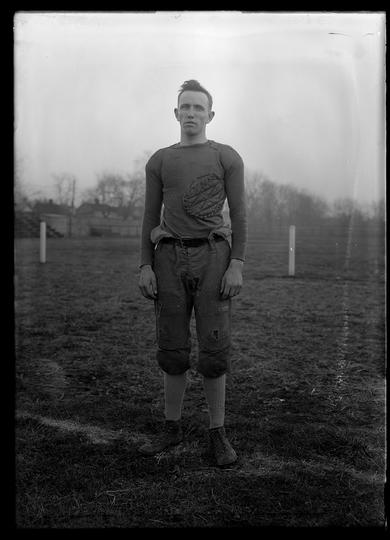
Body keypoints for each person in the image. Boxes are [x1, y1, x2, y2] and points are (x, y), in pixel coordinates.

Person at [138, 80, 247, 467]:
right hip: (169, 257)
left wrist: (237, 263)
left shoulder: (226, 157)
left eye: (199, 108)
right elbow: (150, 216)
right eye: (185, 107)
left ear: (210, 115)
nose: (191, 114)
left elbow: (240, 214)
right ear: (176, 113)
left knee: (214, 349)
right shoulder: (160, 160)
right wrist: (145, 264)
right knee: (172, 346)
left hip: (214, 256)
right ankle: (171, 426)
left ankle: (217, 432)